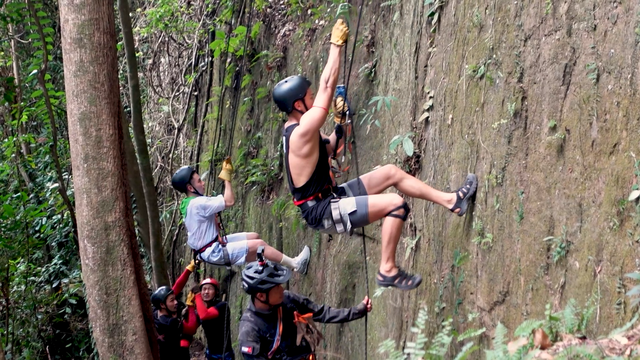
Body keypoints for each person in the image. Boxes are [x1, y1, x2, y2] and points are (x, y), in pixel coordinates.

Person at [272, 19, 478, 291]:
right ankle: (387, 269)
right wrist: (335, 46)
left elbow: (330, 147)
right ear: (298, 105)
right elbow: (326, 87)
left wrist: (340, 122)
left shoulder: (299, 130)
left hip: (329, 198)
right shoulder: (298, 134)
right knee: (395, 204)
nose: (313, 99)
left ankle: (452, 201)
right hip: (321, 211)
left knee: (391, 173)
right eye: (308, 98)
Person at [171, 158, 311, 273]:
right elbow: (229, 201)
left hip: (211, 245)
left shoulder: (188, 203)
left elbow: (203, 226)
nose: (203, 183)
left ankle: (271, 268)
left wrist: (217, 235)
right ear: (190, 188)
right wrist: (227, 178)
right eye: (199, 181)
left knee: (254, 237)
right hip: (213, 250)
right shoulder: (197, 204)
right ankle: (296, 264)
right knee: (260, 245)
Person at [237, 253, 372, 359]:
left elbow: (321, 313)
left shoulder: (287, 300)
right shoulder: (249, 332)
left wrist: (358, 311)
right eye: (276, 286)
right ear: (261, 296)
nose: (282, 289)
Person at [151, 260, 199, 360]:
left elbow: (176, 288)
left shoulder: (156, 311)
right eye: (172, 300)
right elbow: (191, 329)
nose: (176, 302)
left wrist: (189, 269)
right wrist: (190, 305)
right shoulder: (170, 323)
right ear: (163, 305)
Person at [193, 277, 234, 360]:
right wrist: (190, 307)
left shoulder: (222, 306)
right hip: (211, 353)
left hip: (224, 355)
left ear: (216, 292)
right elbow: (192, 328)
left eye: (210, 289)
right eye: (203, 289)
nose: (206, 292)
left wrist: (197, 295)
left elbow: (205, 315)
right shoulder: (202, 310)